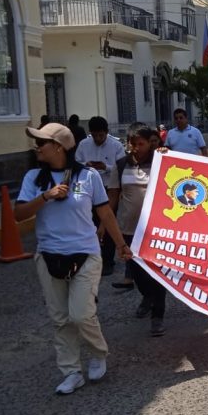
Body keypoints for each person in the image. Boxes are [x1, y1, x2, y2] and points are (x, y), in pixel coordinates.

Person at [14, 123, 131, 394]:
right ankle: (71, 371)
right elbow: (18, 215)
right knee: (60, 319)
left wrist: (121, 245)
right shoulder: (33, 178)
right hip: (48, 256)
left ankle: (99, 353)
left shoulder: (88, 177)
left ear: (59, 147)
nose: (37, 147)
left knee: (80, 315)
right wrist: (46, 196)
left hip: (85, 254)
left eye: (41, 142)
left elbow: (105, 214)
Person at [106, 124, 168, 336]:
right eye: (132, 144)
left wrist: (167, 157)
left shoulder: (161, 162)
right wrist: (103, 226)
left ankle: (157, 316)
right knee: (138, 273)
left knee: (158, 274)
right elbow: (113, 198)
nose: (136, 148)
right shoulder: (121, 165)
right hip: (129, 230)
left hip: (157, 230)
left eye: (140, 144)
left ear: (149, 143)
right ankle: (147, 296)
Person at [75, 116, 126, 276]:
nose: (98, 139)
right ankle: (89, 257)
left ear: (106, 132)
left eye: (101, 135)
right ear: (90, 133)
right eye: (95, 135)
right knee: (89, 223)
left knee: (108, 223)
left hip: (108, 187)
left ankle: (108, 260)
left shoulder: (116, 145)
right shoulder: (83, 145)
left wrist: (106, 167)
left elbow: (122, 167)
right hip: (88, 187)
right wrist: (86, 165)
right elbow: (76, 162)